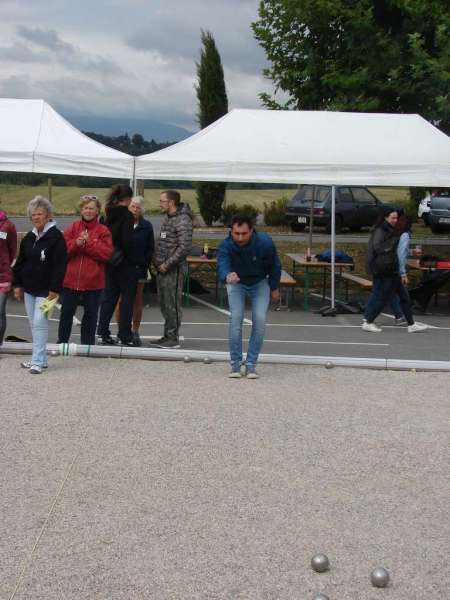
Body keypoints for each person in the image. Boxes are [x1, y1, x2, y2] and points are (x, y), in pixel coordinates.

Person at [217, 214, 281, 379]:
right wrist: (227, 276)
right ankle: (236, 364)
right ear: (231, 231)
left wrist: (274, 287)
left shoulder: (265, 242)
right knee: (236, 319)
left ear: (251, 231)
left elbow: (275, 265)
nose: (240, 237)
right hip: (236, 282)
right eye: (236, 233)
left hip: (260, 282)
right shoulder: (225, 245)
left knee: (259, 319)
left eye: (244, 233)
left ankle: (251, 364)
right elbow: (222, 265)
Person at [12, 196, 67, 374]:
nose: (36, 217)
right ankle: (41, 359)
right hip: (29, 289)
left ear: (48, 215)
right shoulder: (29, 237)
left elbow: (60, 265)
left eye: (40, 214)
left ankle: (36, 361)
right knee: (33, 324)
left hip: (46, 290)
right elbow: (20, 262)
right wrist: (17, 284)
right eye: (33, 215)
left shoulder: (56, 237)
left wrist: (54, 289)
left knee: (39, 323)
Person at [57, 195, 113, 345]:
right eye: (86, 208)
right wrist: (76, 243)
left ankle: (87, 347)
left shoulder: (103, 231)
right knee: (66, 313)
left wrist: (88, 244)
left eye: (92, 208)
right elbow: (62, 252)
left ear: (97, 212)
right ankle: (62, 343)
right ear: (81, 210)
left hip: (93, 283)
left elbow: (106, 254)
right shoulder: (73, 227)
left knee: (91, 315)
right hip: (70, 280)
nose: (88, 211)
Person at [362, 208, 427, 333]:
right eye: (394, 218)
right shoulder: (403, 234)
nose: (395, 220)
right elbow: (400, 254)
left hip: (388, 268)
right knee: (384, 296)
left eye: (397, 218)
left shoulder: (394, 232)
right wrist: (403, 273)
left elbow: (396, 250)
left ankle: (411, 324)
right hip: (391, 270)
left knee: (404, 297)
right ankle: (369, 321)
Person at [152, 190, 193, 348]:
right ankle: (167, 334)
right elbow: (163, 241)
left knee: (172, 304)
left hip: (173, 270)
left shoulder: (182, 220)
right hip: (162, 269)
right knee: (164, 303)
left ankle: (173, 337)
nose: (160, 203)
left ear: (171, 203)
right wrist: (157, 261)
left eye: (162, 201)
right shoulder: (169, 219)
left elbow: (184, 248)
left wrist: (167, 264)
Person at [97, 184, 136, 346]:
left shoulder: (106, 214)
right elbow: (127, 241)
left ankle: (103, 331)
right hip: (124, 262)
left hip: (109, 260)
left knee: (109, 298)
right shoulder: (126, 215)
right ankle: (125, 334)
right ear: (127, 199)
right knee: (127, 300)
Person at [115, 196, 154, 346]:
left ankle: (135, 331)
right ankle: (121, 331)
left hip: (139, 269)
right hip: (121, 269)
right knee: (121, 300)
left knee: (137, 300)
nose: (135, 209)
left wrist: (144, 262)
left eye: (138, 207)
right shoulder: (121, 224)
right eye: (133, 206)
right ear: (128, 207)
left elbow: (150, 248)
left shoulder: (147, 226)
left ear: (142, 210)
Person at [0, 205, 17, 347]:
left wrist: (5, 265)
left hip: (2, 276)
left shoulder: (8, 226)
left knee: (0, 311)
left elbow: (12, 251)